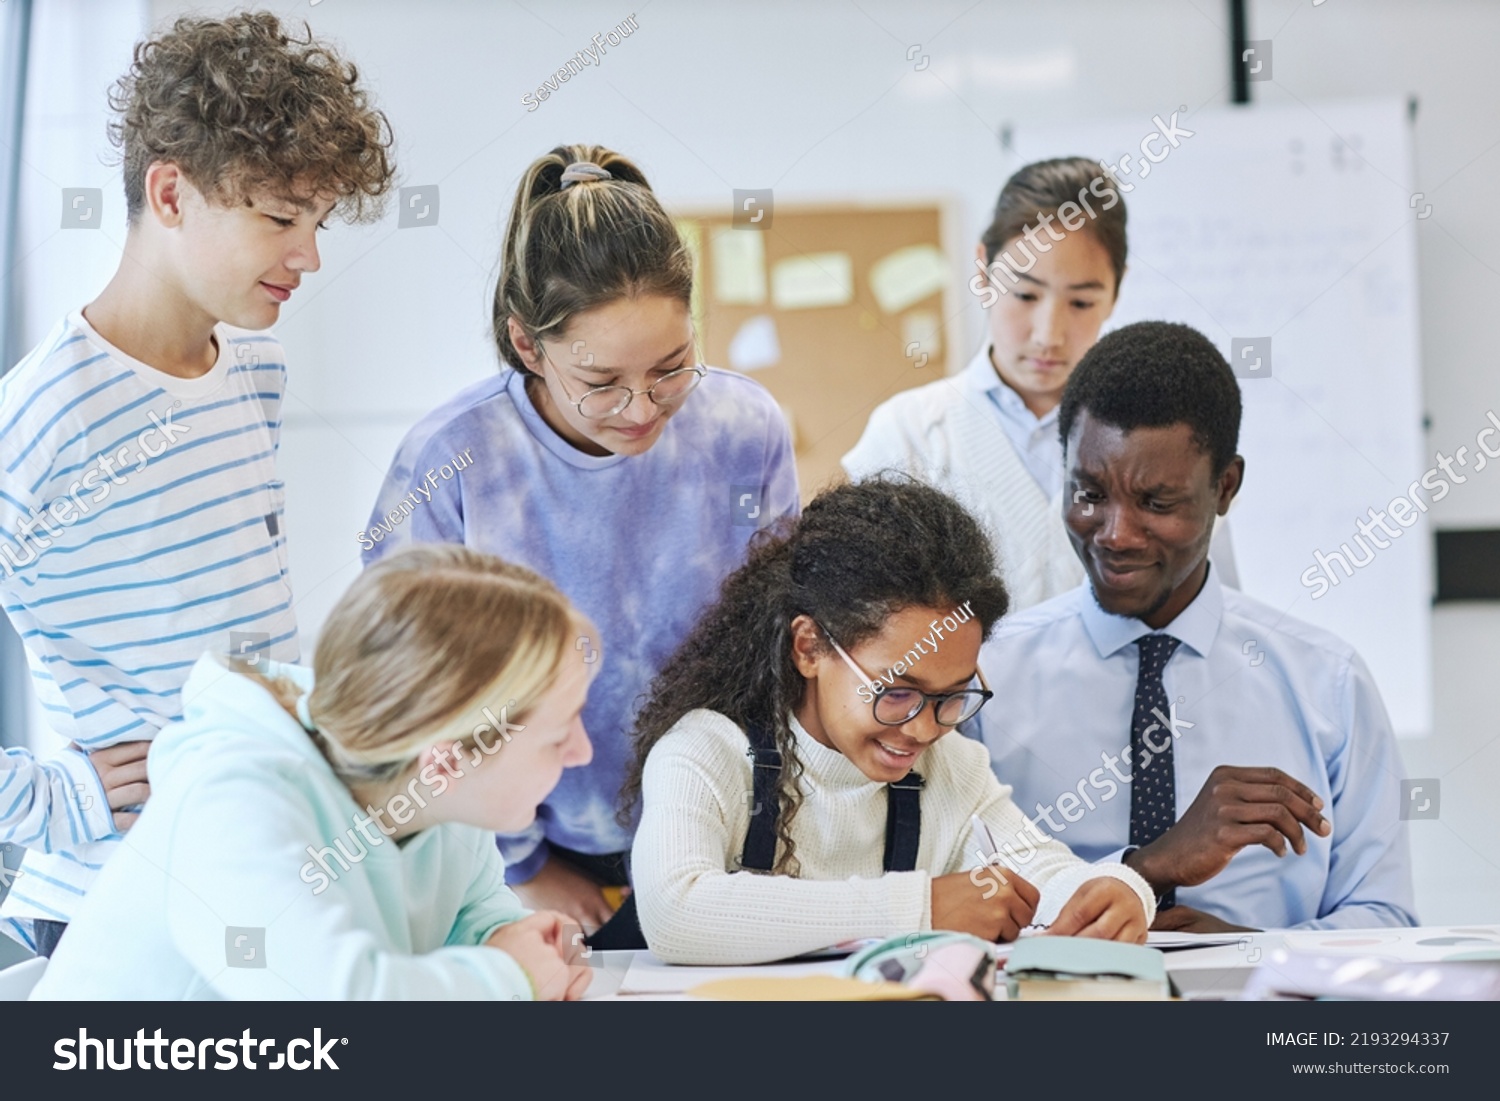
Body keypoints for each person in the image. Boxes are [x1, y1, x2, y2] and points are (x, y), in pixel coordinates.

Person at [0, 11, 395, 956]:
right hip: (113, 908)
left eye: (318, 221)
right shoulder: (38, 422)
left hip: (257, 876)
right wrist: (62, 797)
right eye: (278, 217)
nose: (308, 255)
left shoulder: (255, 370)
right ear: (170, 193)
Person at [364, 144, 799, 942]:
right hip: (511, 844)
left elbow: (773, 640)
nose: (641, 407)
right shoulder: (454, 462)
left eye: (672, 367)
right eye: (600, 381)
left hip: (717, 824)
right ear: (527, 344)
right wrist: (524, 863)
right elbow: (420, 704)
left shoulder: (744, 428)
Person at [972, 321, 1416, 932]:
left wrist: (1248, 954)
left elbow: (1385, 918)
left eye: (1157, 504)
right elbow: (952, 901)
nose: (1116, 535)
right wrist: (1145, 871)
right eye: (1089, 493)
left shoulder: (1328, 684)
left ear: (1225, 486)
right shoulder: (985, 679)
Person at [623, 478, 1154, 965]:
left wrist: (1116, 889)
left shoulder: (950, 770)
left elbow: (1040, 870)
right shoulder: (705, 752)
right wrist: (919, 906)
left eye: (952, 696)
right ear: (809, 647)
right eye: (897, 692)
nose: (924, 730)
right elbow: (676, 913)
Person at [33, 546, 597, 1000]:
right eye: (559, 733)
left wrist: (527, 945)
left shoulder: (439, 794)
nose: (583, 753)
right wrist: (510, 977)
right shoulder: (234, 800)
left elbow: (473, 919)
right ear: (446, 758)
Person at [843, 157, 1237, 611]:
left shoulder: (1171, 439)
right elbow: (868, 623)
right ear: (983, 271)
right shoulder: (908, 434)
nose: (1048, 333)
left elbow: (1213, 613)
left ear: (1117, 290)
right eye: (1025, 295)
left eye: (1082, 302)